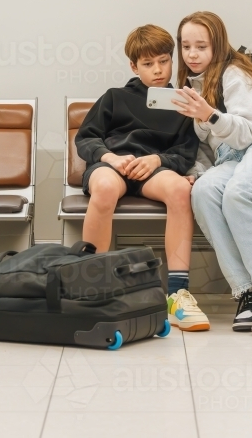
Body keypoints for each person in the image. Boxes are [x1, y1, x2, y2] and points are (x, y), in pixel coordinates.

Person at [75, 25, 209, 331]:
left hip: (154, 171)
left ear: (173, 61)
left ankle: (177, 295)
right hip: (112, 166)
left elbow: (185, 153)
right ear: (134, 66)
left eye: (163, 61)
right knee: (106, 187)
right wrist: (111, 158)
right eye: (148, 64)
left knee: (178, 189)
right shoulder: (115, 97)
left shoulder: (184, 103)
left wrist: (157, 160)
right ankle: (91, 290)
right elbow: (86, 139)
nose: (158, 70)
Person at [174, 11, 252, 335]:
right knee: (202, 192)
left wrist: (209, 114)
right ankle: (249, 294)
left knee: (239, 193)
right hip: (229, 157)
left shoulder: (238, 73)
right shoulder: (191, 86)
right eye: (186, 46)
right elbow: (205, 148)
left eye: (201, 46)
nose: (192, 53)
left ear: (217, 45)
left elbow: (245, 133)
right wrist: (197, 171)